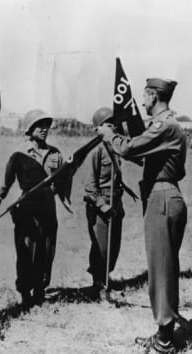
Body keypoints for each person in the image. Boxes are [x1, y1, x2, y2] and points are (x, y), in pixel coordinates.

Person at [97, 78, 187, 353]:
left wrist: (108, 135)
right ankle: (164, 333)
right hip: (161, 196)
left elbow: (130, 148)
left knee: (161, 270)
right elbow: (140, 154)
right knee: (162, 268)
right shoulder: (166, 126)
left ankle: (165, 341)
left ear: (153, 96)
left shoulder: (165, 125)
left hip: (161, 198)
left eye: (145, 96)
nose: (142, 102)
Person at [0, 109, 67, 308]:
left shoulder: (56, 154)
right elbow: (5, 185)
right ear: (29, 129)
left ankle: (40, 290)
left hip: (48, 208)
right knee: (26, 251)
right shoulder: (18, 154)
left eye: (46, 126)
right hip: (26, 209)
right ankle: (25, 292)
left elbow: (62, 182)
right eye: (39, 126)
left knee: (46, 249)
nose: (44, 130)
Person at [84, 107, 124, 295]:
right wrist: (103, 205)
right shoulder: (96, 150)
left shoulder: (114, 147)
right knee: (101, 247)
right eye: (108, 124)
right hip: (101, 205)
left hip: (116, 203)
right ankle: (98, 283)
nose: (113, 127)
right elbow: (90, 186)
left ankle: (106, 277)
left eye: (113, 124)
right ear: (98, 128)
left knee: (114, 245)